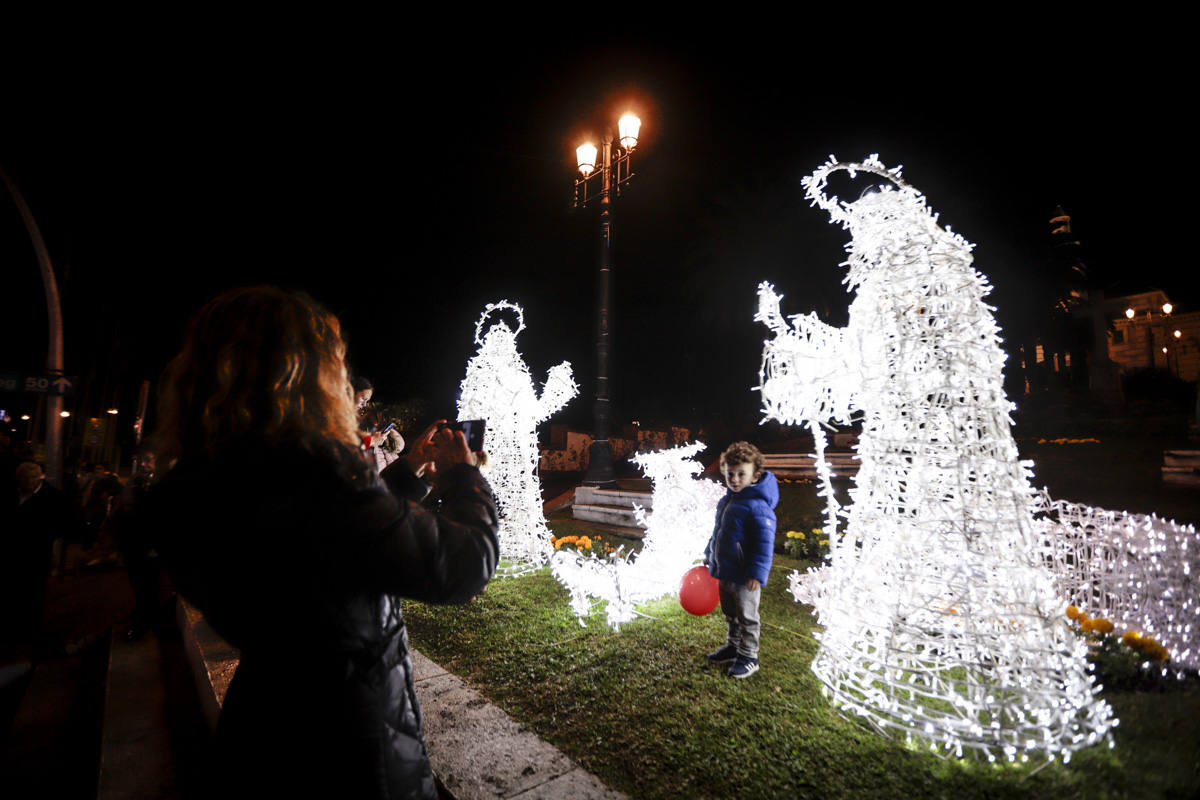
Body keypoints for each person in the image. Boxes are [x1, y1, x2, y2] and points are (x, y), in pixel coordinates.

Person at [140, 286, 499, 799]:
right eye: (334, 365)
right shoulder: (315, 476)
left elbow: (333, 540)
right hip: (348, 749)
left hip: (266, 725)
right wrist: (465, 478)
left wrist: (407, 469)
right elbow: (465, 565)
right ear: (301, 376)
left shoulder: (195, 485)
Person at [703, 441, 778, 679]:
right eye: (730, 474)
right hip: (726, 571)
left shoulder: (758, 506)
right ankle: (733, 646)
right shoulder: (728, 500)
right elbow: (719, 531)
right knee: (730, 612)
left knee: (747, 615)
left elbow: (764, 543)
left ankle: (749, 655)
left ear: (755, 475)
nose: (734, 479)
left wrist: (757, 572)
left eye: (741, 474)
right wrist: (709, 552)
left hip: (745, 575)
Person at [354, 375, 406, 474]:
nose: (364, 405)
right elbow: (348, 450)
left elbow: (399, 446)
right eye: (363, 399)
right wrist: (372, 441)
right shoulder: (343, 421)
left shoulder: (380, 427)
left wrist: (387, 434)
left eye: (367, 402)